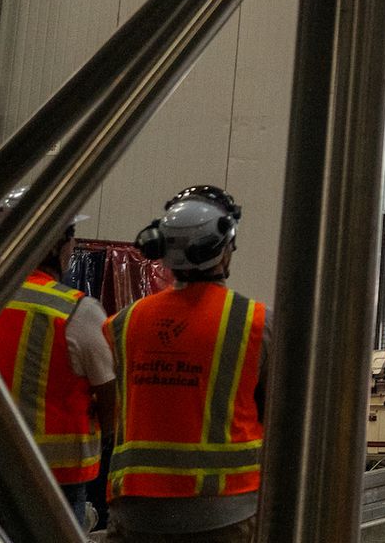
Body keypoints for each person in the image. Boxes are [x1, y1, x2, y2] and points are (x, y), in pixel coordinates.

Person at [0, 190, 115, 539]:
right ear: (51, 243)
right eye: (70, 238)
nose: (72, 248)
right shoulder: (77, 312)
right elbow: (112, 403)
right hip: (48, 492)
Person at [108, 187, 266, 542]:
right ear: (222, 248)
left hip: (135, 508)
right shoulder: (255, 322)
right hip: (224, 510)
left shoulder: (123, 322)